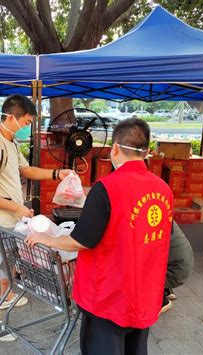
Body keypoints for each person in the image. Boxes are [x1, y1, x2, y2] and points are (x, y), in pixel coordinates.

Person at [26, 118, 173, 355]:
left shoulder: (107, 188)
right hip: (144, 292)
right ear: (147, 151)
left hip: (108, 296)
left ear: (115, 148)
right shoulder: (163, 189)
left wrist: (48, 239)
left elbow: (81, 241)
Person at [0, 95, 72, 341]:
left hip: (9, 221)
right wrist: (16, 208)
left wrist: (57, 173)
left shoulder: (10, 143)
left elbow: (25, 170)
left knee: (2, 267)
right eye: (26, 122)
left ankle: (3, 301)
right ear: (11, 118)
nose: (27, 126)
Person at [161, 221, 194, 313]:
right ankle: (164, 290)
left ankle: (161, 301)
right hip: (177, 267)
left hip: (174, 273)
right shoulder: (162, 211)